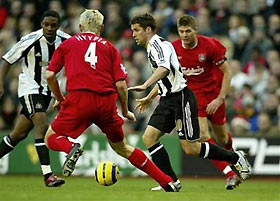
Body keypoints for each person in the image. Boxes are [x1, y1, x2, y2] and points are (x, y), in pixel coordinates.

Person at [44, 9, 177, 192]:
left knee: (50, 138)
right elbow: (121, 85)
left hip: (78, 99)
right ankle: (166, 182)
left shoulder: (68, 44)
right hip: (106, 103)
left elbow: (50, 75)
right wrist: (124, 110)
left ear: (81, 27)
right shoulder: (110, 47)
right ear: (101, 28)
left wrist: (60, 98)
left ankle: (70, 147)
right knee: (123, 147)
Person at [129, 13, 251, 192]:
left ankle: (235, 158)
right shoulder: (155, 47)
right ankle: (170, 181)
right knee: (149, 138)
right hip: (167, 99)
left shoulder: (159, 46)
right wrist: (149, 97)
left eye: (136, 30)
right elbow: (169, 75)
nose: (133, 34)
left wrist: (146, 85)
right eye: (132, 31)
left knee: (191, 148)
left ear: (148, 30)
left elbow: (164, 68)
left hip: (181, 98)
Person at [170, 15, 242, 190]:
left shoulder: (210, 45)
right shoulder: (172, 48)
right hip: (193, 99)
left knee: (223, 138)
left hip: (213, 96)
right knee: (202, 134)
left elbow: (227, 72)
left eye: (188, 31)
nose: (184, 35)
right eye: (181, 31)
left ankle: (236, 160)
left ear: (196, 30)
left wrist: (220, 98)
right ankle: (230, 174)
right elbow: (169, 73)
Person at [0, 10, 69, 187]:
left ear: (59, 25)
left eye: (53, 25)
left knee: (18, 135)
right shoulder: (31, 39)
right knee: (41, 123)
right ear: (41, 24)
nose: (49, 28)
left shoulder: (66, 41)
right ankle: (48, 175)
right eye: (46, 24)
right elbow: (7, 60)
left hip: (48, 91)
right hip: (29, 87)